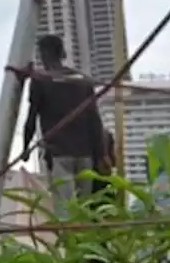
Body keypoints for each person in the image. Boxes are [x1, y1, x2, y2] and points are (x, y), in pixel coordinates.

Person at [22, 35, 107, 217]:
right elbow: (95, 119)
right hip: (85, 154)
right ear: (62, 53)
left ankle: (70, 243)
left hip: (59, 154)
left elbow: (31, 118)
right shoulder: (81, 80)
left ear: (44, 54)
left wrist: (25, 147)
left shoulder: (40, 80)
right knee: (84, 210)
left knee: (65, 212)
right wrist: (101, 155)